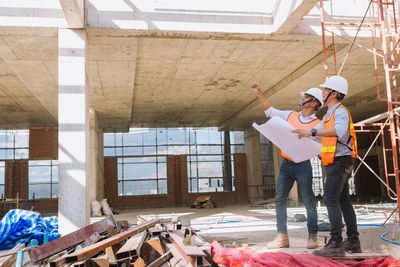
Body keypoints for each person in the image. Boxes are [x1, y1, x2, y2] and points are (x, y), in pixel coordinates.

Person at [293, 75, 361, 256]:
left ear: (334, 93)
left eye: (325, 89)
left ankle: (336, 243)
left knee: (330, 199)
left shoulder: (340, 111)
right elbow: (316, 135)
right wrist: (302, 134)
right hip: (336, 162)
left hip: (340, 162)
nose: (322, 92)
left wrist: (312, 131)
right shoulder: (329, 114)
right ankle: (353, 242)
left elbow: (338, 131)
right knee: (344, 202)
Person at [251, 80, 323, 249]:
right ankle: (282, 237)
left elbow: (318, 148)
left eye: (306, 96)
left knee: (309, 201)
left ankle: (312, 237)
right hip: (286, 164)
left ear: (313, 103)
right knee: (279, 199)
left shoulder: (318, 125)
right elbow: (269, 111)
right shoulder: (290, 115)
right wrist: (259, 92)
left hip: (303, 165)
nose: (303, 98)